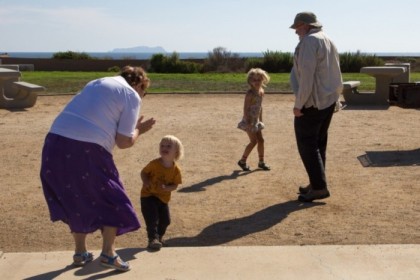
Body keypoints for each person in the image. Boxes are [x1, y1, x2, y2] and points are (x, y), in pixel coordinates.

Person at [40, 66, 156, 272]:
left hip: (54, 143)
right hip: (87, 149)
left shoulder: (96, 82)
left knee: (75, 197)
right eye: (144, 92)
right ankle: (108, 254)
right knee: (113, 198)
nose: (142, 96)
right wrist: (139, 130)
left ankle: (80, 252)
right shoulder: (131, 94)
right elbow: (124, 142)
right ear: (138, 84)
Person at [289, 12, 343, 202]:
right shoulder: (327, 39)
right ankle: (317, 181)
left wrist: (299, 105)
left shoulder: (309, 42)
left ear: (304, 25)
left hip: (312, 102)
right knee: (319, 145)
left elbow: (307, 78)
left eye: (297, 28)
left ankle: (319, 187)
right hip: (327, 100)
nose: (296, 32)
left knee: (307, 145)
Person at [140, 135, 183, 251]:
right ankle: (152, 239)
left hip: (163, 198)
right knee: (152, 218)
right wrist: (146, 181)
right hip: (148, 195)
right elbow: (143, 172)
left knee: (165, 220)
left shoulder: (176, 170)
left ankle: (159, 238)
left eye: (169, 146)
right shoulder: (154, 164)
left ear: (176, 152)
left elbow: (175, 185)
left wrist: (167, 188)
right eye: (162, 145)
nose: (164, 148)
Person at [237, 68, 271, 171]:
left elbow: (260, 107)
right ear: (250, 81)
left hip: (256, 121)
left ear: (263, 80)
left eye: (259, 80)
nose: (256, 82)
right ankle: (242, 161)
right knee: (253, 141)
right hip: (249, 121)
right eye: (254, 80)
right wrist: (248, 122)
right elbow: (246, 108)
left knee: (261, 140)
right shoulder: (250, 93)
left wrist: (260, 120)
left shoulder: (261, 91)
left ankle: (261, 162)